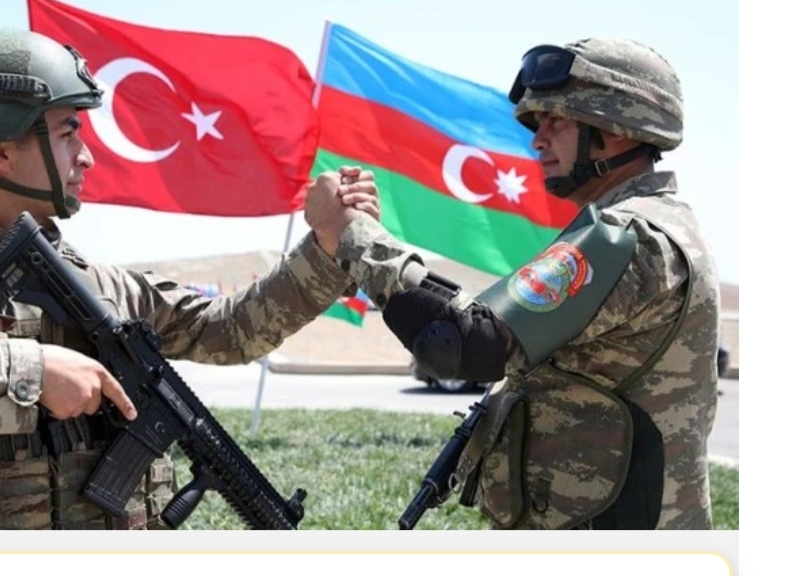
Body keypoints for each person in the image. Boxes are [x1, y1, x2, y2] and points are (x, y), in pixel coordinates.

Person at [0, 27, 380, 531]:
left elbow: (229, 331)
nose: (87, 157)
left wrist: (324, 246)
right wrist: (31, 371)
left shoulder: (105, 288)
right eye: (66, 133)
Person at [306, 37, 721, 530]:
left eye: (556, 121)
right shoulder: (644, 226)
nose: (537, 140)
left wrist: (350, 234)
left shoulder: (629, 236)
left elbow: (462, 343)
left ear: (614, 130)